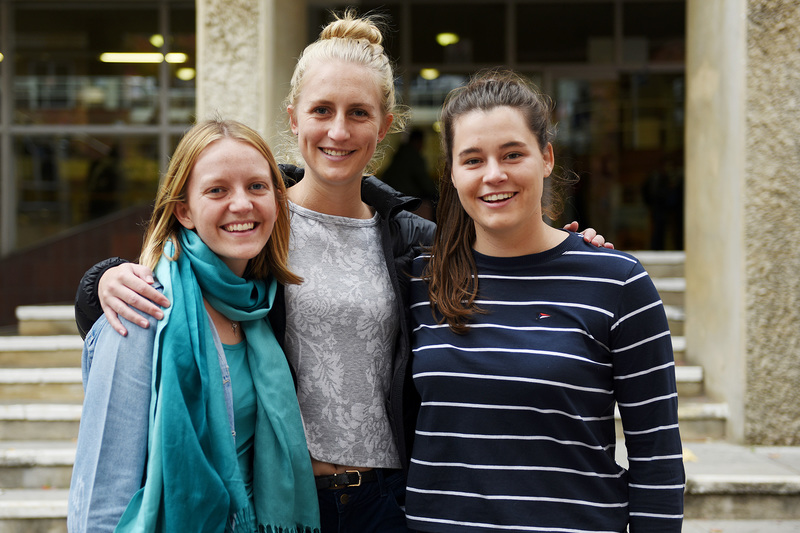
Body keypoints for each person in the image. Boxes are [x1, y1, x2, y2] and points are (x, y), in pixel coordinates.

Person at [72, 11, 611, 532]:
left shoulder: (414, 241)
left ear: (385, 125)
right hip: (281, 498)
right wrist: (103, 280)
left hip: (387, 501)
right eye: (321, 110)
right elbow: (182, 273)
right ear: (293, 118)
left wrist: (571, 254)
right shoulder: (257, 221)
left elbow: (506, 266)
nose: (338, 130)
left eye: (358, 112)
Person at [405, 70, 684, 532]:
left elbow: (657, 455)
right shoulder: (420, 279)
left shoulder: (617, 284)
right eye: (472, 160)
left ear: (547, 157)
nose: (494, 174)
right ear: (452, 172)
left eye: (512, 154)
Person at [67, 119, 319, 533]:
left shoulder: (260, 305)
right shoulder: (144, 308)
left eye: (256, 186)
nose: (242, 204)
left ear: (277, 199)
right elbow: (102, 487)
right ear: (184, 210)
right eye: (217, 190)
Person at [381, 128, 437, 220]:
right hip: (408, 198)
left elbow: (386, 177)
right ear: (418, 141)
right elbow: (425, 183)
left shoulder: (399, 156)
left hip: (393, 199)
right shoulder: (414, 157)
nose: (422, 146)